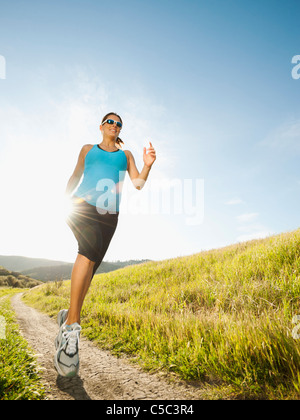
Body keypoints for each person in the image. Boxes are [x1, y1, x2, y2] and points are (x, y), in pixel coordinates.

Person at [54, 112, 156, 377]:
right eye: (110, 121)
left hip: (110, 215)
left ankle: (69, 316)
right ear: (101, 127)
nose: (114, 125)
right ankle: (71, 329)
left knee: (90, 268)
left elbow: (138, 184)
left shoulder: (126, 156)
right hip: (82, 207)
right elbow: (75, 176)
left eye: (119, 123)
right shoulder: (87, 149)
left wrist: (148, 165)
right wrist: (62, 201)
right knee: (87, 254)